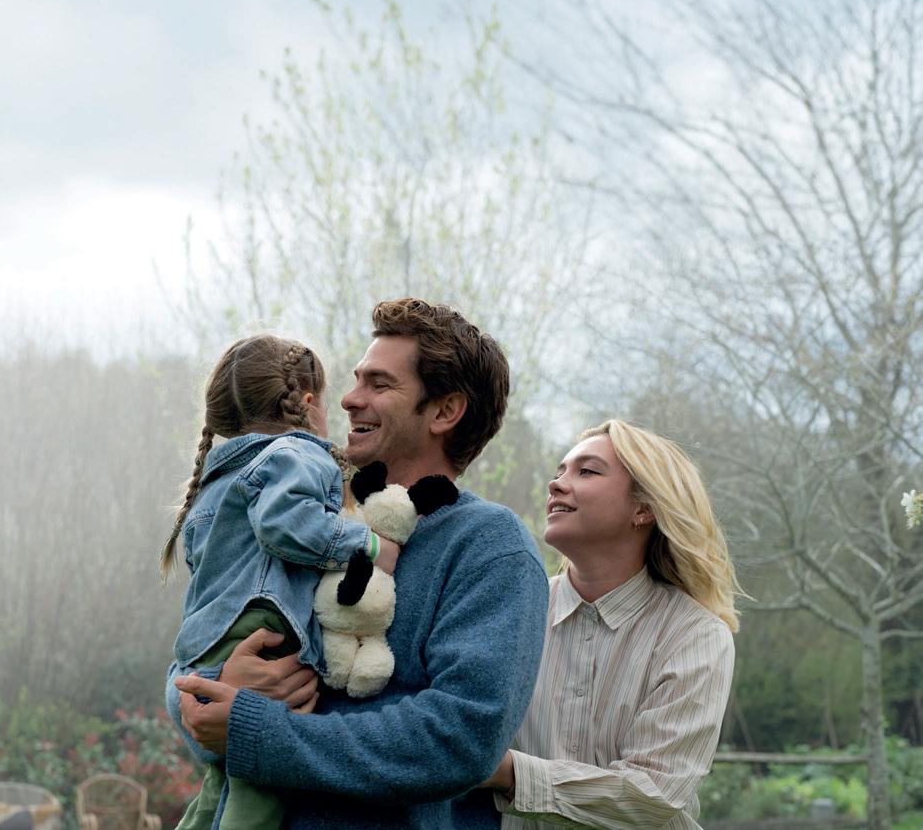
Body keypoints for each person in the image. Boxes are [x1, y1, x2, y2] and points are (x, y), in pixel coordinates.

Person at [172, 297, 550, 830]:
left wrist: (255, 729)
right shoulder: (307, 524)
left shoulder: (490, 546)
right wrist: (207, 695)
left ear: (444, 412)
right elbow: (197, 652)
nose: (350, 400)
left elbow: (461, 738)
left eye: (379, 384)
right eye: (355, 381)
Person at [163, 333, 400, 830]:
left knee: (221, 785)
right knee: (259, 793)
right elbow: (284, 522)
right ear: (308, 403)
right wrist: (369, 544)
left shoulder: (216, 480)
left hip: (210, 645)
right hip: (263, 631)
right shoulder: (296, 452)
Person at [482, 419, 738, 830]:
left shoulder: (696, 634)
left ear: (644, 509)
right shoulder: (513, 606)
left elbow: (653, 793)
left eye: (586, 471)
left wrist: (507, 772)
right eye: (560, 471)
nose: (556, 484)